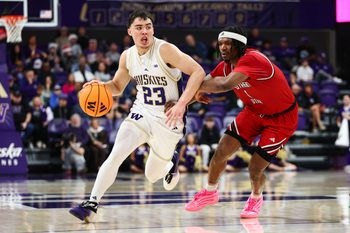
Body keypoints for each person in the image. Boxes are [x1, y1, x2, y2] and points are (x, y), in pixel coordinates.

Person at [69, 9, 205, 222]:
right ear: (130, 31)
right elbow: (117, 86)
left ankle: (171, 163)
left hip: (168, 121)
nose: (144, 32)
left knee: (152, 176)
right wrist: (100, 86)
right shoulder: (127, 56)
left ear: (153, 29)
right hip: (141, 112)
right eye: (139, 28)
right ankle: (91, 203)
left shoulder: (165, 50)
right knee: (116, 154)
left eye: (148, 27)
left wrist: (181, 103)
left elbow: (198, 71)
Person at [185, 26, 298, 218]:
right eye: (220, 44)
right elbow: (204, 84)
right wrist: (182, 102)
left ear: (239, 45)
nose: (223, 47)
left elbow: (224, 85)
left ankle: (255, 198)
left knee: (255, 166)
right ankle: (210, 192)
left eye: (228, 44)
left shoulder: (253, 59)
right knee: (221, 151)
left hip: (280, 119)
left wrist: (196, 88)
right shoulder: (225, 66)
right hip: (253, 112)